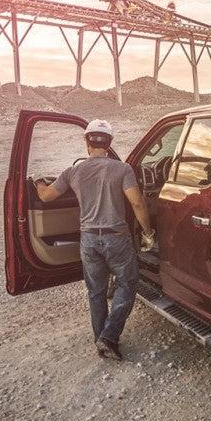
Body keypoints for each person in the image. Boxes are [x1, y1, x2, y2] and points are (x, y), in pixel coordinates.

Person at [34, 119, 155, 360]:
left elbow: (46, 197)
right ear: (109, 144)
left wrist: (37, 181)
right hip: (117, 238)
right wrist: (148, 233)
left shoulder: (73, 172)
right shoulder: (122, 170)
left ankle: (102, 339)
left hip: (88, 240)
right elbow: (138, 203)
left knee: (96, 292)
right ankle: (108, 337)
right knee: (128, 284)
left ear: (87, 142)